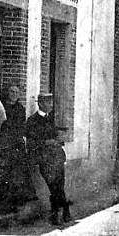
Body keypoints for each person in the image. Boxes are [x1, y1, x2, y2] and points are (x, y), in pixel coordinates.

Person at [26, 94, 71, 225]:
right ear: (40, 103)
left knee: (59, 186)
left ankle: (62, 212)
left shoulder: (51, 119)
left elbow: (56, 136)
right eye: (47, 102)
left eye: (51, 102)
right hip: (44, 159)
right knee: (53, 186)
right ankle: (58, 211)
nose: (50, 105)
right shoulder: (32, 120)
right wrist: (46, 142)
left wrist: (58, 140)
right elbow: (31, 142)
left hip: (57, 157)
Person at [0, 85, 36, 206]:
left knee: (19, 170)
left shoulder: (20, 108)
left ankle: (18, 199)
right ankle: (5, 198)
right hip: (5, 142)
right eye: (11, 91)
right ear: (8, 93)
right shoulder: (2, 107)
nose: (14, 94)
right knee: (5, 170)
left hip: (16, 142)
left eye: (16, 92)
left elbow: (21, 125)